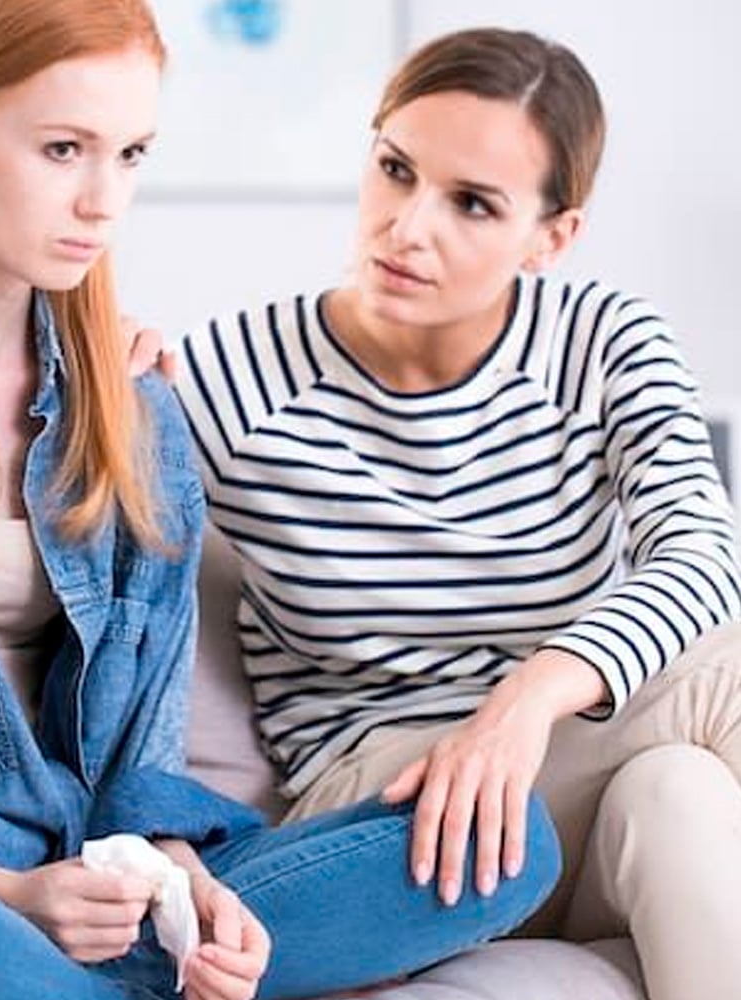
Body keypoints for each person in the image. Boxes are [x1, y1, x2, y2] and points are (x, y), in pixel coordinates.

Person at [0, 4, 563, 1000]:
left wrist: (187, 891)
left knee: (503, 839)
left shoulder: (134, 413)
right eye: (61, 149)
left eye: (129, 153)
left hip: (89, 895)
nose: (102, 200)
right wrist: (13, 896)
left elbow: (137, 765)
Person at [172, 26, 741, 1000]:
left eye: (471, 203)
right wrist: (88, 382)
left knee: (680, 791)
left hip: (563, 794)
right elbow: (75, 548)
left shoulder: (601, 342)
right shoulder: (229, 382)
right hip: (381, 823)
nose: (406, 226)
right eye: (395, 169)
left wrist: (524, 701)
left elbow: (700, 547)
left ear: (551, 237)